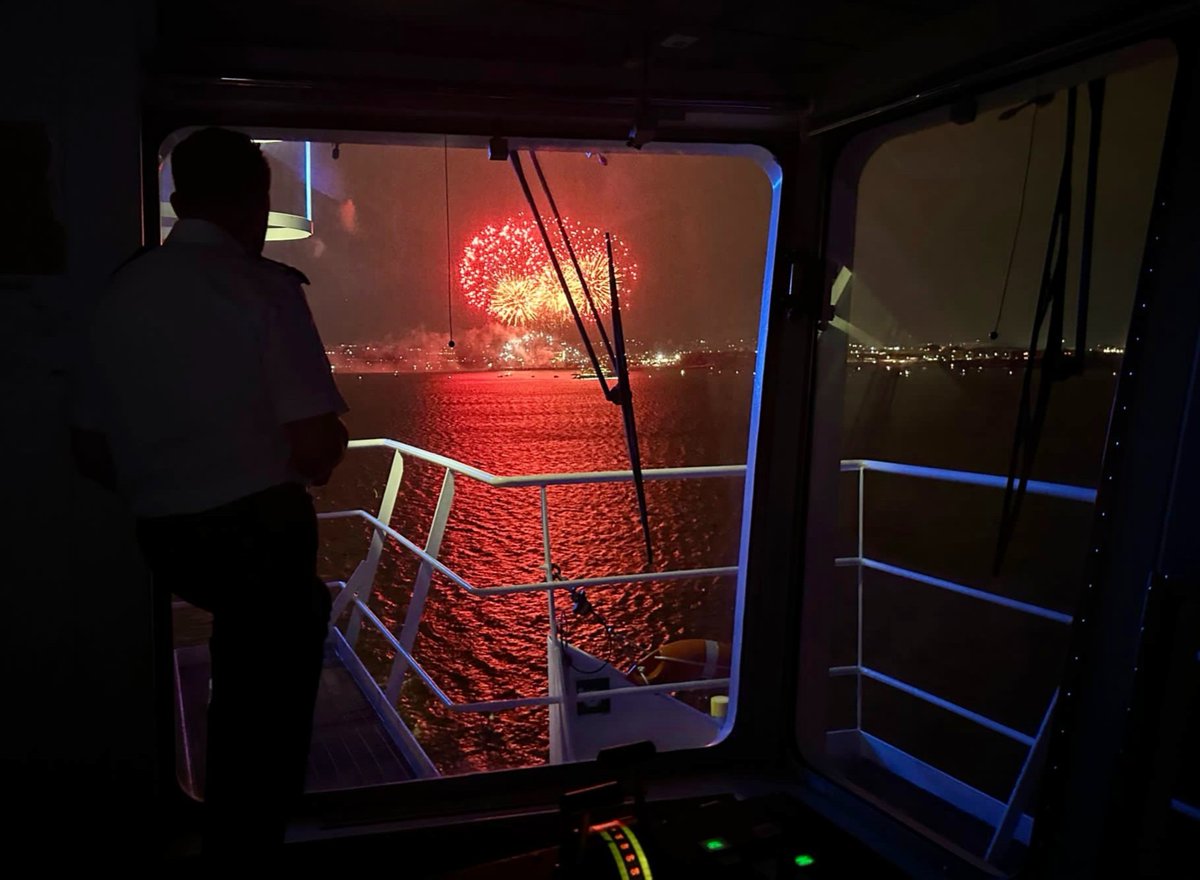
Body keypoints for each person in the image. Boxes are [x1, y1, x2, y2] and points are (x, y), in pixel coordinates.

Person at [70, 127, 349, 859]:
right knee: (270, 697)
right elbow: (317, 448)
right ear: (252, 204)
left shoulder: (119, 292)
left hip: (165, 539)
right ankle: (250, 837)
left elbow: (90, 448)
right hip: (259, 538)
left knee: (242, 660)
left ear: (176, 199)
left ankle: (231, 820)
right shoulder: (265, 292)